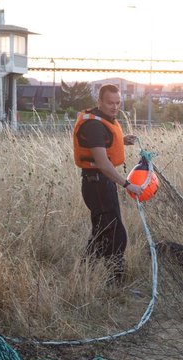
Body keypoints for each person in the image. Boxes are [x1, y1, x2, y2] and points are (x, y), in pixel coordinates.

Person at [72, 84, 142, 280]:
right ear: (99, 102)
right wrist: (128, 185)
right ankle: (114, 280)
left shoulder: (102, 120)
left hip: (102, 184)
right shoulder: (93, 125)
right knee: (114, 234)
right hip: (96, 185)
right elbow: (102, 163)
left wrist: (122, 140)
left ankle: (86, 275)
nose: (114, 107)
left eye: (118, 103)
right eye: (110, 103)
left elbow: (104, 145)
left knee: (103, 232)